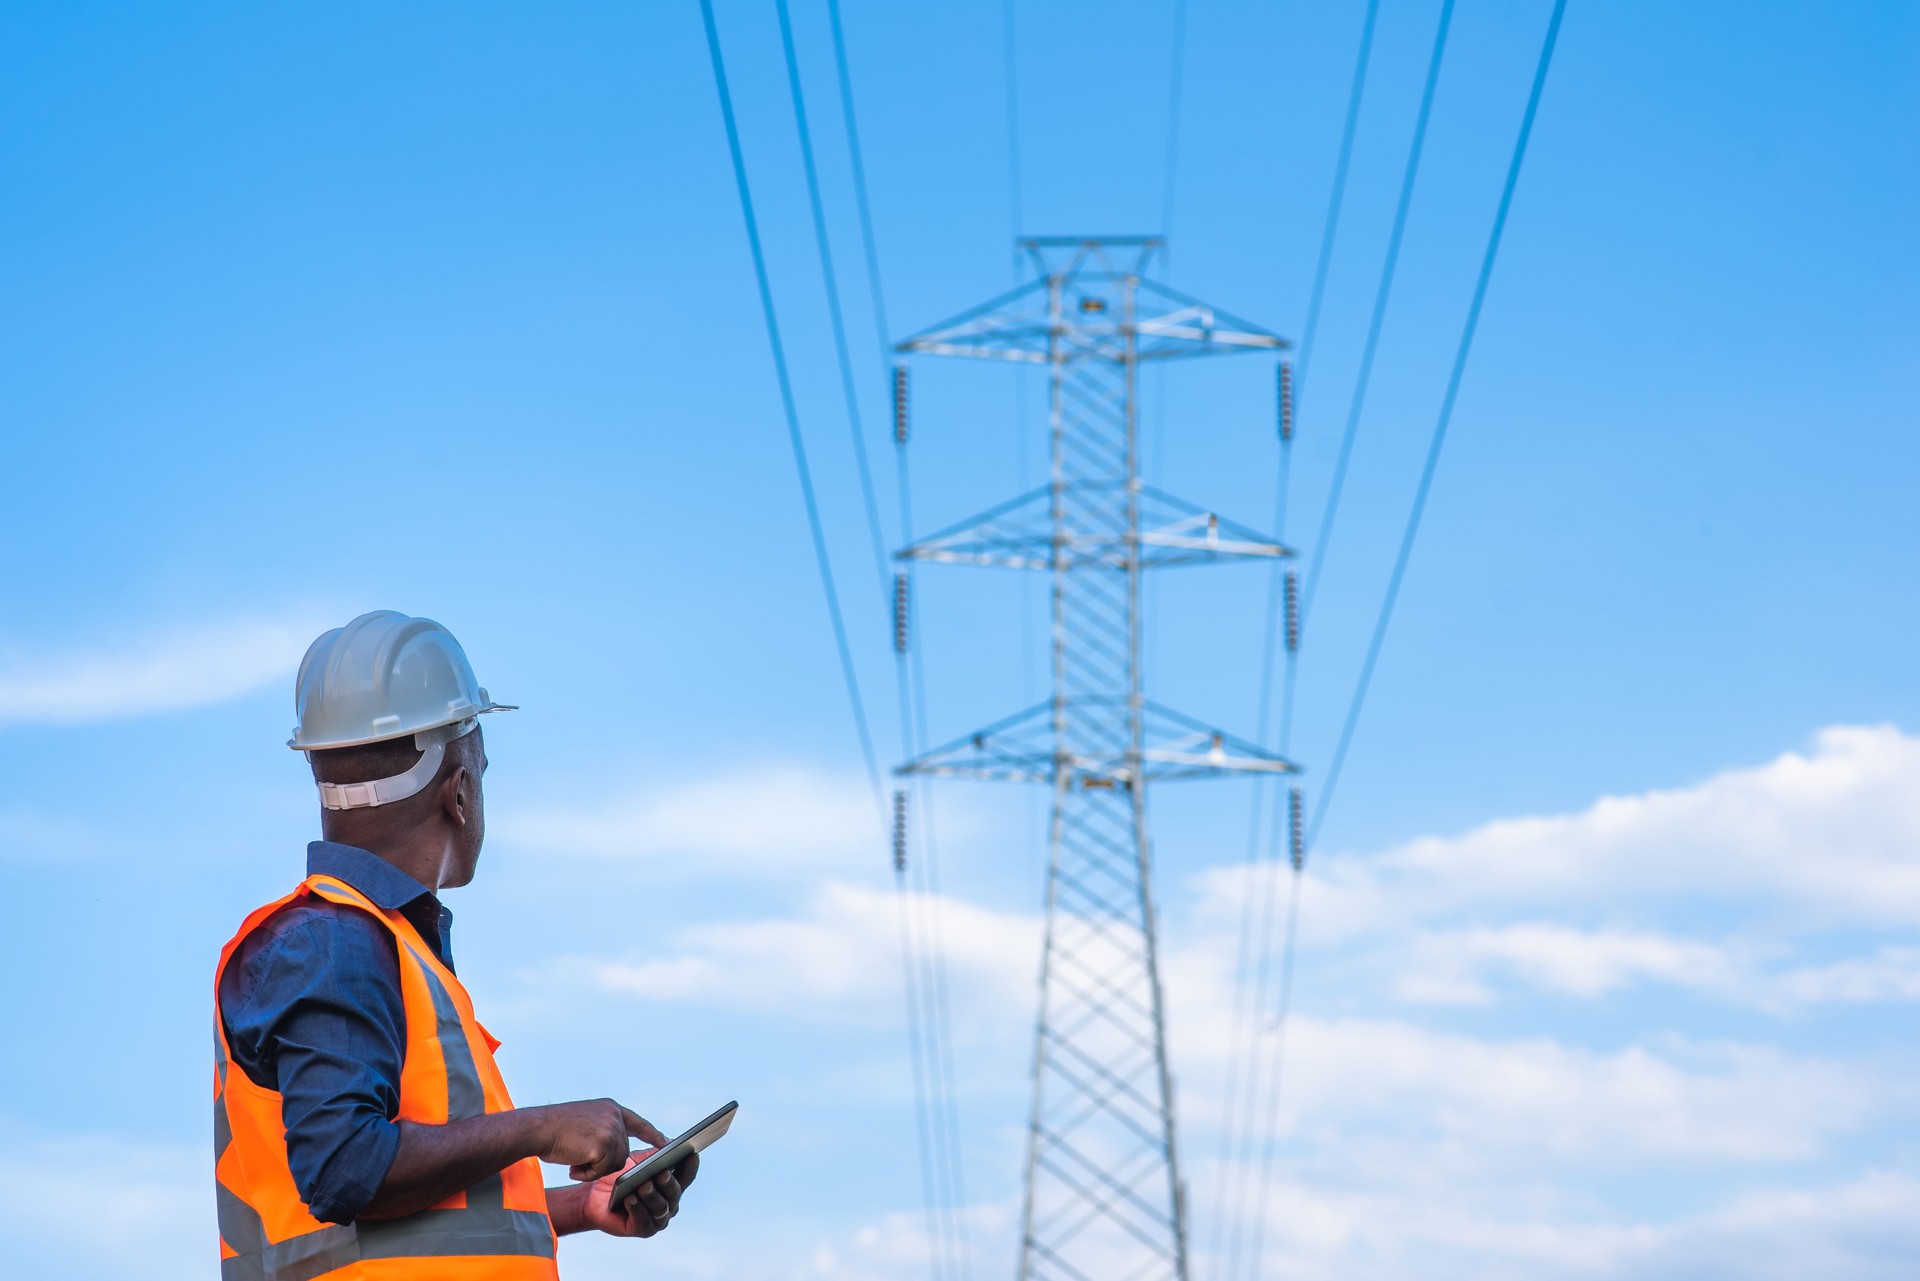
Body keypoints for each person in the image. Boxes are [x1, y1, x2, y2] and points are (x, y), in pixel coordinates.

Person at [213, 609, 694, 1279]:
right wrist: (542, 1127)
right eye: (483, 771)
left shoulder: (371, 943)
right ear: (460, 792)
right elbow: (345, 1168)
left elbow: (406, 1222)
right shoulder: (332, 941)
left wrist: (582, 1205)